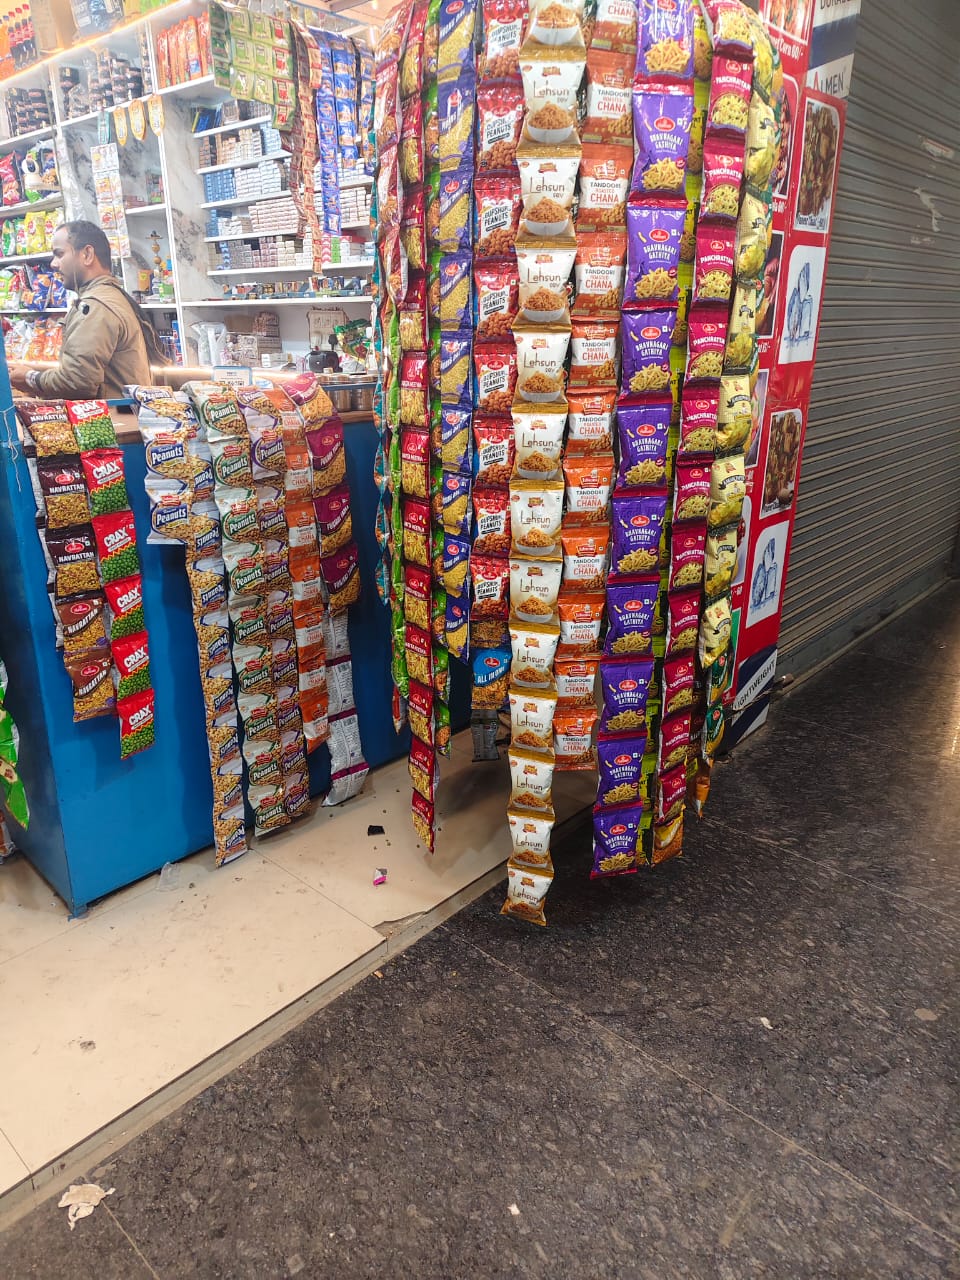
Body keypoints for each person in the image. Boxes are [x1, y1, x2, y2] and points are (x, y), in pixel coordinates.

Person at [6, 219, 154, 400]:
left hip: (109, 416)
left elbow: (76, 382)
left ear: (87, 254)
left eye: (60, 254)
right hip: (121, 414)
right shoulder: (112, 296)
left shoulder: (95, 306)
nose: (53, 264)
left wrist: (30, 378)